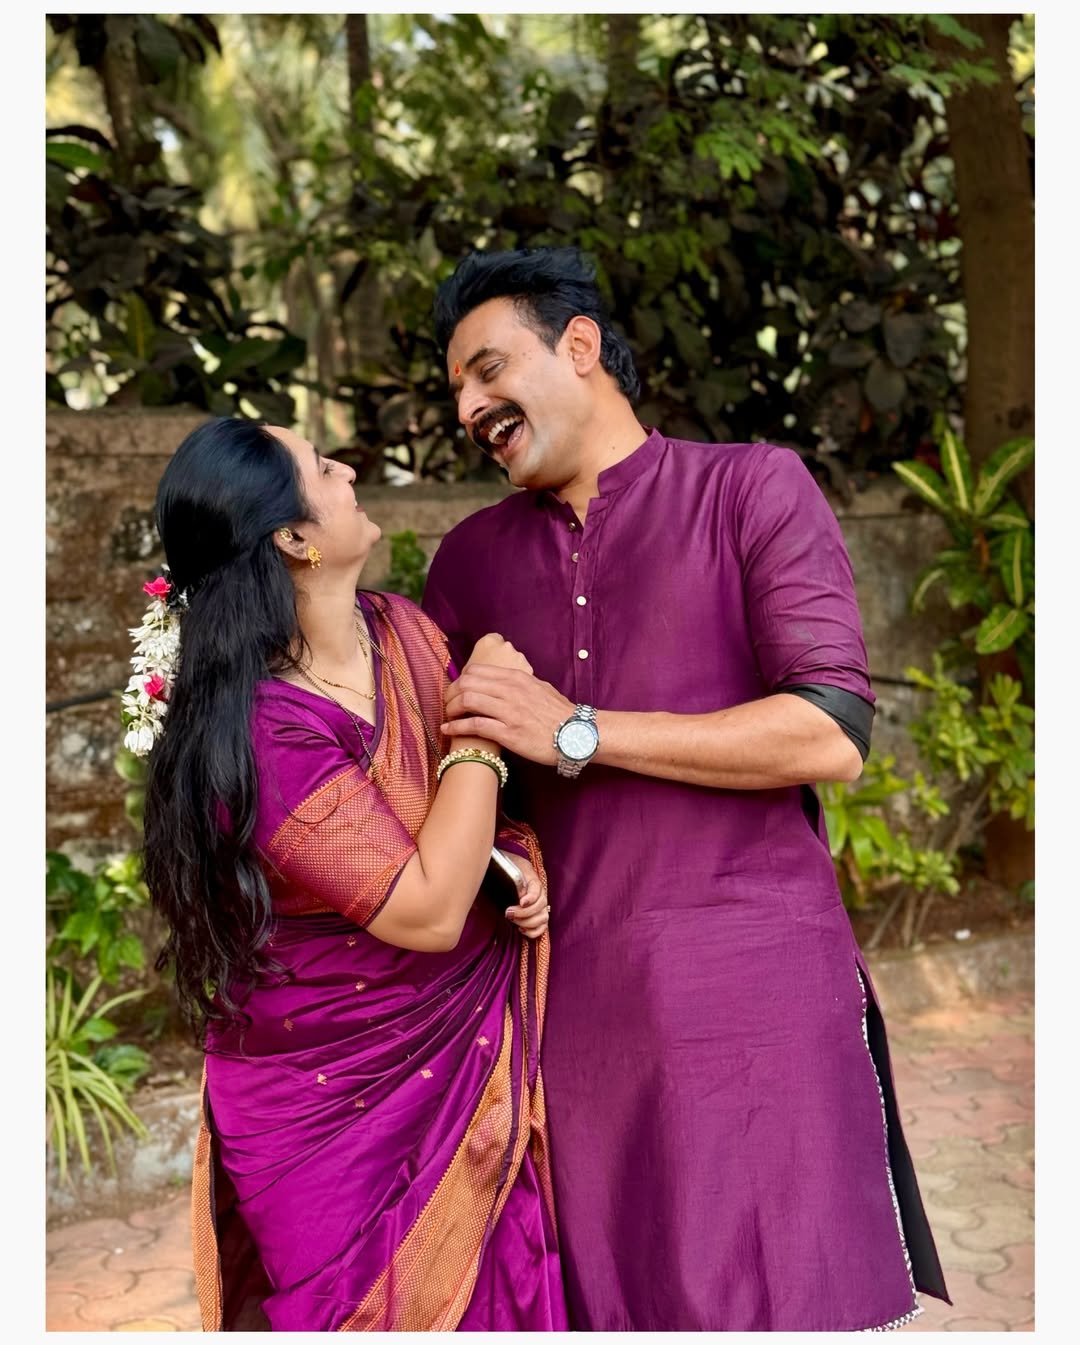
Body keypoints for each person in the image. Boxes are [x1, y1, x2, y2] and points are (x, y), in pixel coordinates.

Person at [421, 247, 951, 1331]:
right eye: (457, 394)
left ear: (579, 346)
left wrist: (578, 730)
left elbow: (830, 727)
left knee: (783, 1299)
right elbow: (462, 774)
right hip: (570, 1015)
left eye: (487, 371)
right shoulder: (467, 565)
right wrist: (500, 852)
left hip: (758, 997)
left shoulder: (749, 486)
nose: (470, 409)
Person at [138, 417, 567, 1331]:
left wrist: (508, 860)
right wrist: (483, 720)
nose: (350, 471)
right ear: (293, 538)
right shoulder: (267, 730)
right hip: (329, 1101)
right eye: (325, 468)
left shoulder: (403, 632)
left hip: (467, 1067)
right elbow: (424, 908)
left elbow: (436, 825)